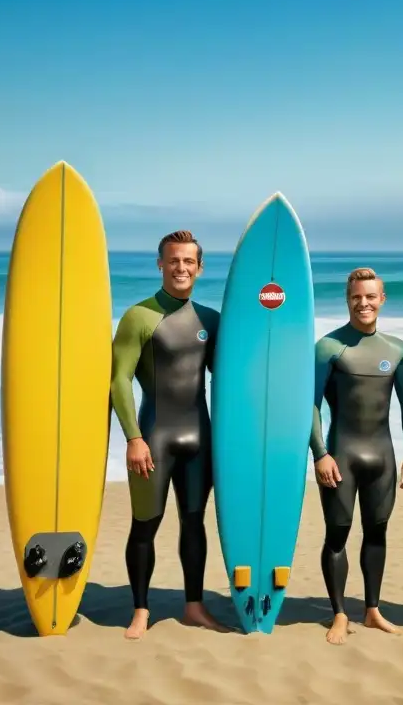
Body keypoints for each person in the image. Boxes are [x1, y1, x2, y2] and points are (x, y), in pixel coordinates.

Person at [110, 230, 226, 640]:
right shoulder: (139, 316)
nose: (181, 268)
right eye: (173, 260)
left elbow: (230, 377)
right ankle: (140, 609)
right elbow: (119, 380)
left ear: (199, 267)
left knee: (194, 523)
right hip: (154, 438)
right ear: (160, 264)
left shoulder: (211, 320)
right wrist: (133, 438)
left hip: (200, 439)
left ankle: (194, 606)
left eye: (188, 261)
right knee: (146, 523)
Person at [310, 267, 403, 645]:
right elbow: (308, 405)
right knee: (337, 534)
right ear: (348, 299)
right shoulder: (328, 347)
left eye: (371, 296)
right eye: (357, 297)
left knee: (377, 532)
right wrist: (320, 454)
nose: (364, 303)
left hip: (383, 457)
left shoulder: (397, 349)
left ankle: (372, 609)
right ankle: (340, 613)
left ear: (382, 299)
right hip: (341, 454)